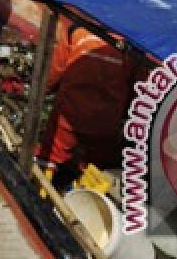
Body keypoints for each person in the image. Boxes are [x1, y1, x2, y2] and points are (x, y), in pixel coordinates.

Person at [37, 25, 134, 189]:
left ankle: (41, 192)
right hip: (104, 124)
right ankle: (81, 198)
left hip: (69, 116)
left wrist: (44, 90)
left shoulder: (75, 31)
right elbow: (137, 90)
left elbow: (54, 72)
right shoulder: (134, 47)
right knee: (93, 168)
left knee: (51, 156)